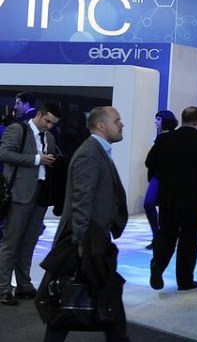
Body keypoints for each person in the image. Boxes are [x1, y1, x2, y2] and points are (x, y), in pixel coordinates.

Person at [42, 106, 131, 342]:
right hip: (86, 239)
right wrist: (82, 243)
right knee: (78, 294)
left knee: (103, 292)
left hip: (93, 237)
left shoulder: (97, 151)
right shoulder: (90, 154)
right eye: (117, 120)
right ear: (101, 125)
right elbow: (81, 200)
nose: (121, 124)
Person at [146, 106, 197, 291]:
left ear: (183, 119)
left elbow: (150, 162)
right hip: (194, 200)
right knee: (189, 240)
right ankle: (184, 281)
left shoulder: (164, 140)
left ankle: (158, 265)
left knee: (166, 235)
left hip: (168, 197)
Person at [0, 102, 62, 306]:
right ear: (40, 115)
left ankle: (24, 285)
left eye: (53, 124)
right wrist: (37, 159)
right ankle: (3, 288)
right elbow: (4, 154)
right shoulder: (17, 129)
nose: (49, 126)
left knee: (29, 243)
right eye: (48, 121)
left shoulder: (49, 137)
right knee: (11, 243)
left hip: (40, 196)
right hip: (19, 194)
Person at [143, 110, 177, 250]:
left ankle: (159, 236)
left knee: (153, 204)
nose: (156, 122)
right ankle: (158, 235)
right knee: (150, 204)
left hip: (163, 177)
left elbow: (150, 161)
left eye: (158, 119)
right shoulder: (161, 138)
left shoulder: (164, 139)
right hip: (159, 176)